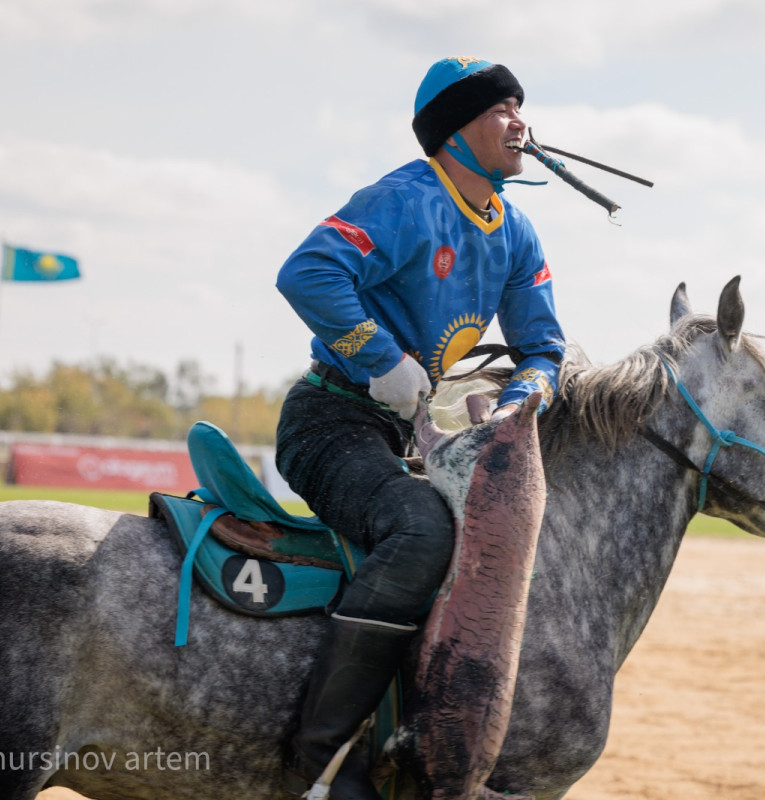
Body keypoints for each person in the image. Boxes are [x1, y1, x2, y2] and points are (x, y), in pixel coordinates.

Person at [274, 56, 565, 799]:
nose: (520, 120)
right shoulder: (404, 199)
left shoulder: (518, 233)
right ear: (454, 133)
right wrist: (380, 358)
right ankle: (320, 764)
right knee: (423, 533)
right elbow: (306, 272)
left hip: (400, 436)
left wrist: (520, 400)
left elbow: (543, 348)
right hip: (330, 422)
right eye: (500, 108)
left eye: (520, 105)